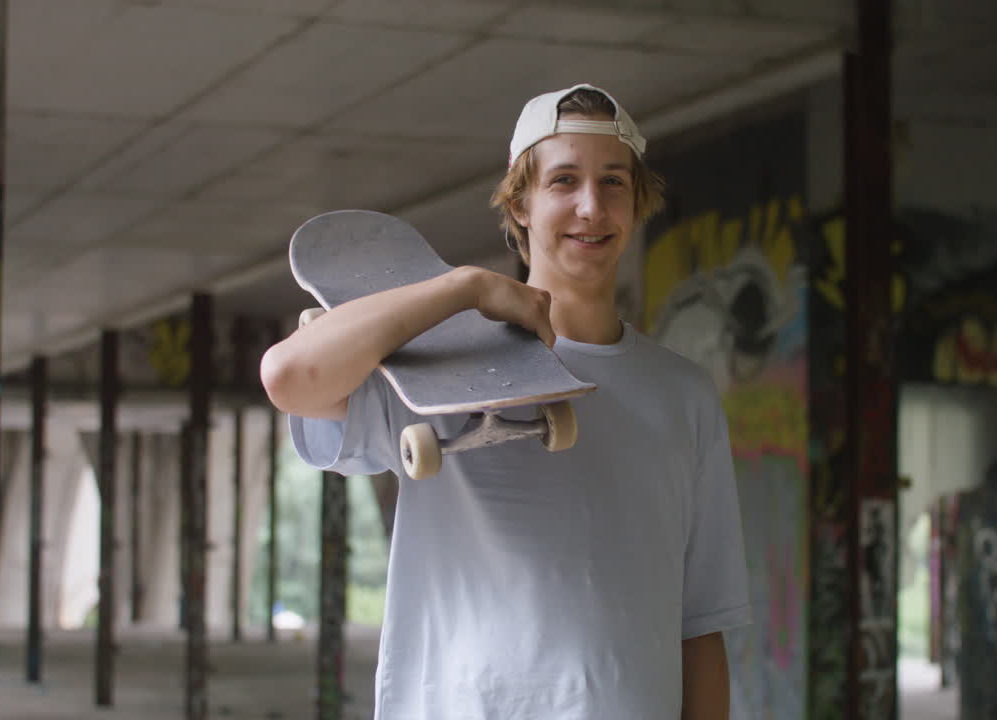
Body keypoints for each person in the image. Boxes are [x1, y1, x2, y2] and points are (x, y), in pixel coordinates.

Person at [261, 83, 749, 719]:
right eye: (563, 181)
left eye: (613, 182)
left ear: (637, 202)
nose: (591, 207)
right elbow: (290, 377)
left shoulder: (683, 394)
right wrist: (462, 290)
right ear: (520, 204)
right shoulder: (440, 365)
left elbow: (700, 622)